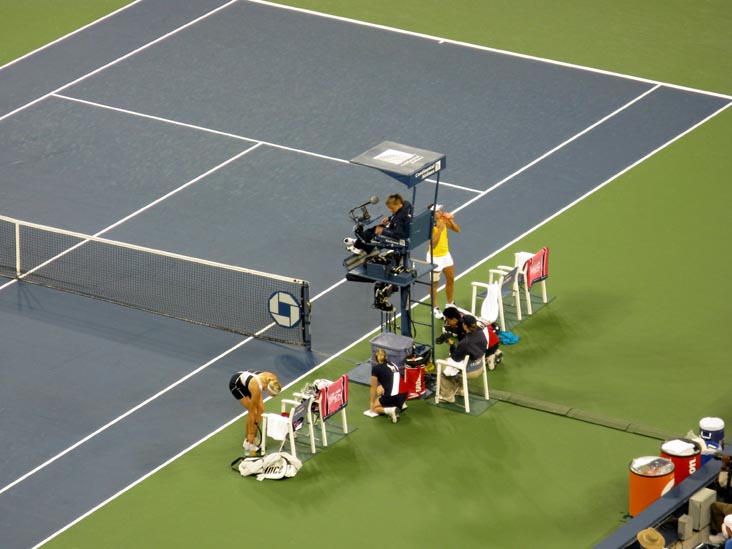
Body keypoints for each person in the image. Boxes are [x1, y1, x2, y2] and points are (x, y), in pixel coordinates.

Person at [229, 370, 282, 455]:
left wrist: (256, 423)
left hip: (252, 380)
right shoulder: (256, 388)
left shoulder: (274, 380)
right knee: (254, 411)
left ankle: (254, 437)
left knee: (261, 409)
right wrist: (250, 434)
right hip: (238, 385)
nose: (273, 397)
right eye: (272, 395)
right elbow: (251, 412)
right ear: (268, 390)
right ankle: (247, 441)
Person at [437, 314, 487, 403]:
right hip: (480, 366)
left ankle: (447, 396)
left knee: (443, 366)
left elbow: (455, 358)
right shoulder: (481, 333)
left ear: (464, 326)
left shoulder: (465, 342)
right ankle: (460, 388)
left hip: (470, 371)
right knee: (456, 366)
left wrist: (452, 345)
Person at [439, 306, 503, 370]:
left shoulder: (463, 332)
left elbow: (458, 356)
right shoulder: (467, 319)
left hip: (487, 347)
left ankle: (489, 357)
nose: (447, 322)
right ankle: (494, 352)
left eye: (448, 320)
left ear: (454, 319)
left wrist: (452, 346)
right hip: (494, 341)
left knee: (467, 352)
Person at [345, 193, 412, 254]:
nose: (390, 210)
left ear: (399, 205)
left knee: (373, 232)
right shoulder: (406, 205)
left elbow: (397, 235)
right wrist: (389, 218)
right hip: (399, 227)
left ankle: (357, 247)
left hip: (397, 235)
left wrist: (383, 231)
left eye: (392, 208)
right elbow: (399, 214)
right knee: (374, 230)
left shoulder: (399, 219)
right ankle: (362, 244)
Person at [427, 204, 460, 319]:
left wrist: (450, 221)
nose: (441, 212)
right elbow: (433, 244)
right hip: (434, 258)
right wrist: (440, 230)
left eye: (441, 210)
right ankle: (434, 307)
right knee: (434, 284)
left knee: (450, 279)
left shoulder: (442, 220)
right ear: (432, 214)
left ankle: (449, 303)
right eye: (438, 211)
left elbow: (457, 230)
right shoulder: (430, 225)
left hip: (446, 255)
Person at [369, 348, 408, 423]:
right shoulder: (392, 364)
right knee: (380, 390)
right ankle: (401, 404)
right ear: (386, 356)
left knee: (375, 407)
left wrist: (371, 404)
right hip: (405, 394)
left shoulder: (375, 368)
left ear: (375, 359)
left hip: (394, 396)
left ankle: (391, 410)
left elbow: (373, 387)